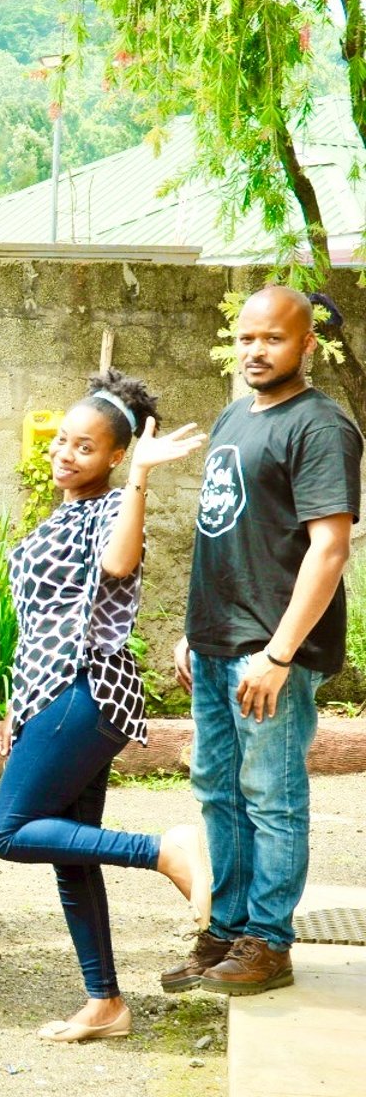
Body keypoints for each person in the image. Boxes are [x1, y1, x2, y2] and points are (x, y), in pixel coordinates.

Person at [0, 372, 211, 1040]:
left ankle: (164, 850)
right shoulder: (64, 511)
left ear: (115, 455)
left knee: (8, 831)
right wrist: (18, 709)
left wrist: (140, 479)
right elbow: (39, 626)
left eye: (85, 447)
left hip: (85, 688)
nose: (64, 454)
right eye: (62, 441)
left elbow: (118, 566)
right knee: (69, 855)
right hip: (56, 695)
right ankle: (105, 1002)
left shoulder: (114, 506)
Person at [169, 285, 362, 997]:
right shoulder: (234, 416)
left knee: (271, 795)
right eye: (246, 338)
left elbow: (330, 549)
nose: (256, 350)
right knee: (217, 789)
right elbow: (223, 535)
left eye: (273, 339)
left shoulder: (321, 427)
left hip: (270, 652)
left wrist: (280, 654)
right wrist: (195, 634)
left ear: (307, 344)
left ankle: (269, 942)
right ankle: (226, 929)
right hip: (218, 643)